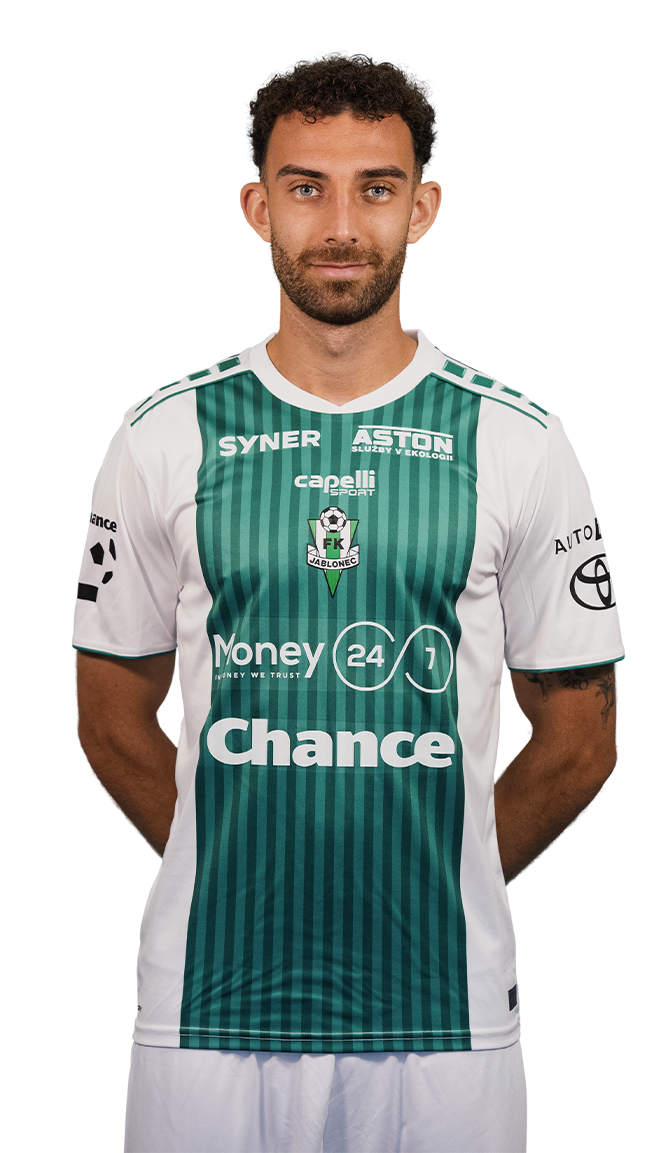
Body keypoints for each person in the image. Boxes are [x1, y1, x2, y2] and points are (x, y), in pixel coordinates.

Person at [73, 51, 623, 1153]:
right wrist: (232, 853)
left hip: (444, 1008)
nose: (338, 224)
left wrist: (449, 863)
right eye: (305, 186)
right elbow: (102, 707)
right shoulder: (162, 435)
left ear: (421, 210)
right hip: (208, 1000)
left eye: (374, 188)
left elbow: (583, 732)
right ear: (255, 210)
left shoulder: (515, 439)